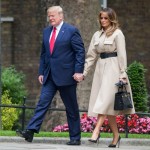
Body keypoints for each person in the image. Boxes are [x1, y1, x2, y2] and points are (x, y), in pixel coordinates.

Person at [16, 6, 85, 145]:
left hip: (67, 76)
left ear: (61, 15)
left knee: (71, 108)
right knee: (42, 103)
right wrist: (41, 71)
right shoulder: (46, 32)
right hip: (50, 76)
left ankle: (75, 138)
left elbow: (80, 52)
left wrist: (78, 71)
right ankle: (30, 131)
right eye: (49, 16)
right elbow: (44, 54)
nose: (50, 18)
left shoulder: (71, 31)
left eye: (53, 15)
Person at [74, 7, 135, 148]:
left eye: (106, 18)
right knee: (107, 106)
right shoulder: (97, 35)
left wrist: (123, 75)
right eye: (101, 18)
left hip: (113, 69)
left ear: (111, 19)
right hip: (100, 70)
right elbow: (91, 56)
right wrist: (84, 73)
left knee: (104, 101)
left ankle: (96, 131)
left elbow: (122, 56)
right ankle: (116, 137)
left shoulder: (118, 34)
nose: (103, 20)